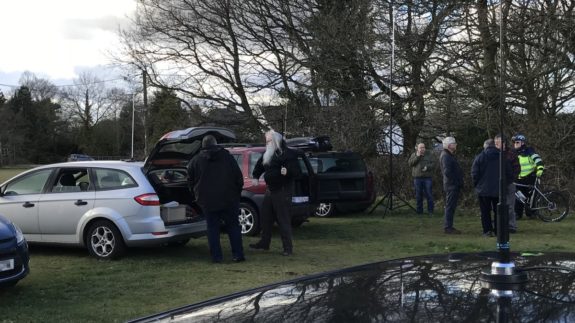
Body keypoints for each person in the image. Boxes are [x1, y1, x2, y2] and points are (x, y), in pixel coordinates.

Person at [188, 135, 245, 263]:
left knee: (212, 228)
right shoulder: (228, 158)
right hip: (229, 199)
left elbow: (190, 180)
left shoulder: (196, 160)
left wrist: (196, 195)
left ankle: (217, 257)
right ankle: (238, 255)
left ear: (203, 146)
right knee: (233, 226)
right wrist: (236, 194)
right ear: (216, 144)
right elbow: (238, 178)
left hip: (207, 201)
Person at [249, 130, 302, 256]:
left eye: (268, 140)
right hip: (270, 190)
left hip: (283, 191)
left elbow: (298, 172)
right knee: (265, 218)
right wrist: (256, 176)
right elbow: (260, 165)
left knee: (283, 220)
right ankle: (264, 243)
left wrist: (287, 172)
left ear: (275, 141)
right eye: (266, 141)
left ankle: (287, 248)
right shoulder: (268, 153)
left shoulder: (288, 154)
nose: (267, 143)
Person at [471, 139, 512, 237]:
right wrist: (505, 184)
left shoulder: (480, 157)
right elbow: (509, 173)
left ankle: (487, 231)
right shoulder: (502, 157)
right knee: (499, 211)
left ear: (485, 146)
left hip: (483, 190)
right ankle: (499, 230)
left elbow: (474, 173)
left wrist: (477, 185)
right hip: (499, 189)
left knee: (485, 211)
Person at [512, 133, 544, 219]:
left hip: (531, 177)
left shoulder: (529, 150)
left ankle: (532, 213)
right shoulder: (513, 153)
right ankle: (518, 214)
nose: (515, 144)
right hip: (519, 178)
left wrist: (540, 169)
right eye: (514, 142)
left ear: (522, 143)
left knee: (532, 196)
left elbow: (538, 159)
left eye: (517, 142)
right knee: (519, 197)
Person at [495, 134, 520, 233]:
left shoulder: (511, 154)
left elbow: (517, 168)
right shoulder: (494, 153)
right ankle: (500, 224)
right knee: (498, 205)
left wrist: (511, 179)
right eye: (495, 143)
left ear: (503, 143)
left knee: (510, 206)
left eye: (498, 143)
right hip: (497, 183)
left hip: (509, 183)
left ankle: (511, 226)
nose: (496, 145)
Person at [439, 136, 463, 234]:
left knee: (450, 206)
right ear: (449, 145)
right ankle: (448, 227)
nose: (456, 145)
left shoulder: (448, 155)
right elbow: (447, 172)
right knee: (450, 206)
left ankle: (448, 226)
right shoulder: (446, 156)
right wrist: (456, 181)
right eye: (454, 143)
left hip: (451, 184)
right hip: (451, 185)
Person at [408, 142, 435, 216]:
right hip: (417, 178)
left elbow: (433, 164)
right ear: (417, 148)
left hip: (427, 178)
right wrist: (417, 156)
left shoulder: (429, 154)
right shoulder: (414, 155)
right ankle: (419, 211)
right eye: (421, 147)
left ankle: (430, 211)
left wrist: (427, 167)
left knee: (429, 194)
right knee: (418, 195)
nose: (422, 149)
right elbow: (410, 164)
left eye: (423, 147)